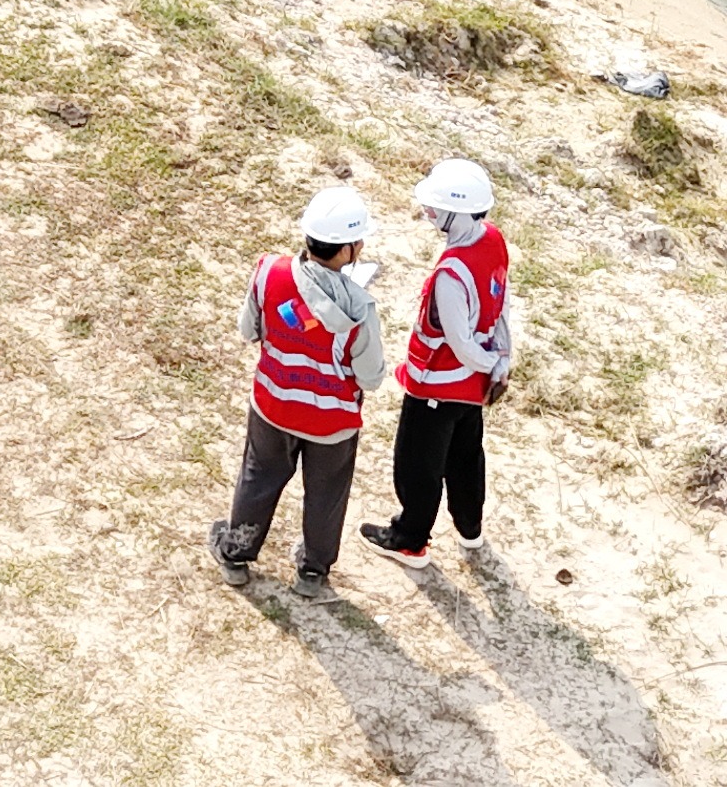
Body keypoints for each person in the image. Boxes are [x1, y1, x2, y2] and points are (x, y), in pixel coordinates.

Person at [210, 184, 386, 601]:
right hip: (333, 422)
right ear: (346, 252)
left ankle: (236, 554)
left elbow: (247, 330)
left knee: (259, 475)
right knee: (326, 492)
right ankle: (312, 571)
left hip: (273, 404)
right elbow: (371, 377)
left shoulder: (268, 272)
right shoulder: (360, 307)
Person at [361, 158, 512, 569]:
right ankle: (470, 529)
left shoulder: (451, 273)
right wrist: (500, 360)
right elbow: (502, 303)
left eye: (435, 207)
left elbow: (460, 342)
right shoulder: (493, 240)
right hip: (472, 387)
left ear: (457, 211)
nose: (428, 212)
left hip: (436, 384)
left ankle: (410, 539)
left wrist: (485, 360)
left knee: (418, 465)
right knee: (466, 459)